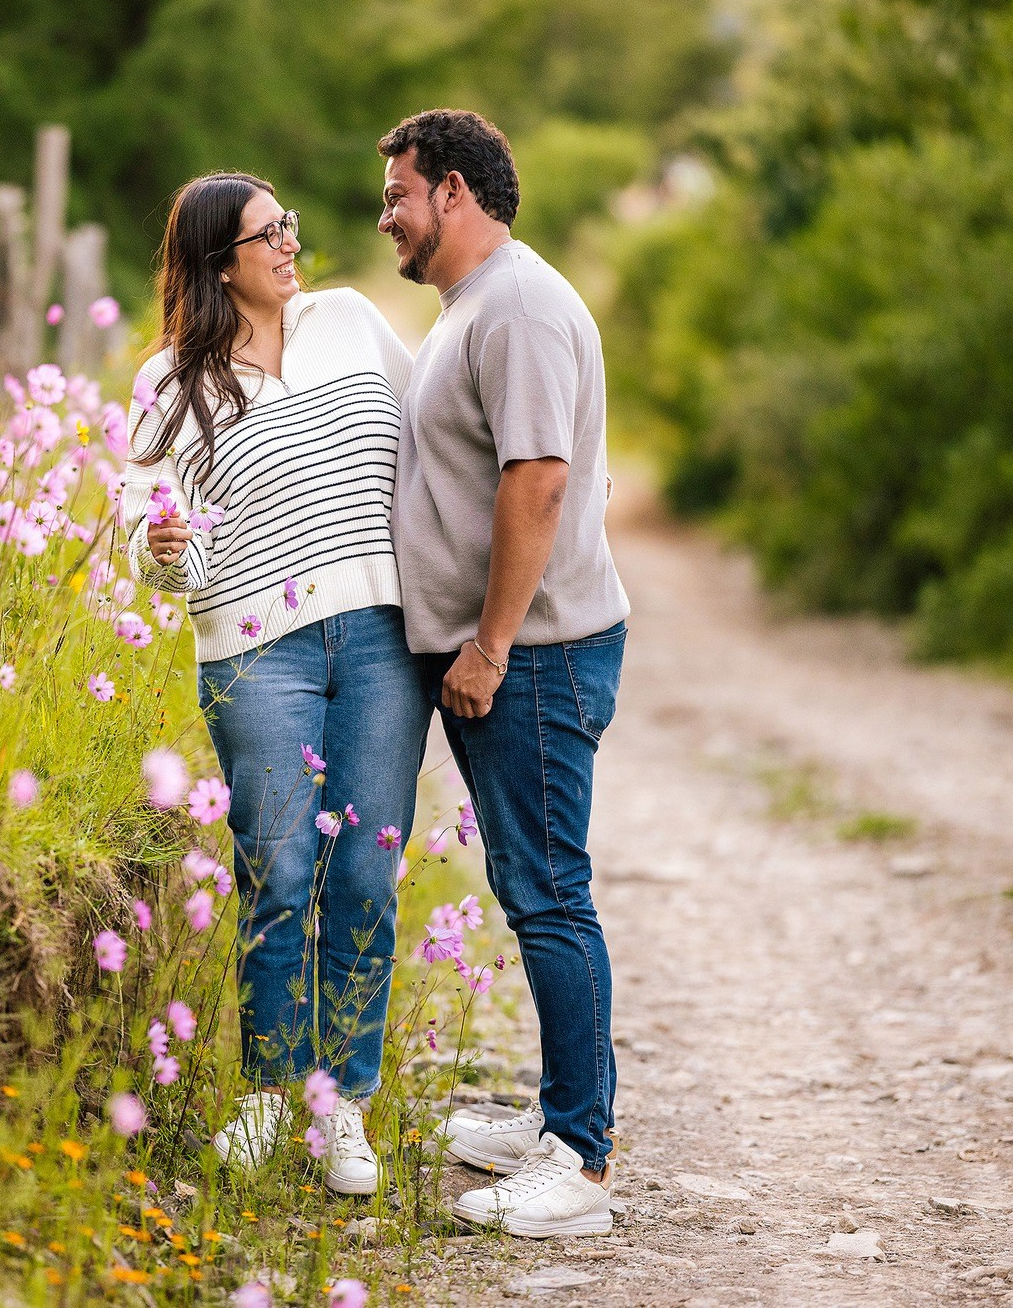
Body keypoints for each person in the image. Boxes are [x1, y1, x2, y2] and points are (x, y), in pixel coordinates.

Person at [118, 172, 429, 1195]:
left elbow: (434, 425)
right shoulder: (169, 382)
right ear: (219, 262)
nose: (290, 243)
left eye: (288, 224)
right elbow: (153, 544)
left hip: (382, 637)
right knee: (277, 872)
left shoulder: (348, 321)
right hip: (257, 655)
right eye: (267, 233)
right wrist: (162, 545)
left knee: (364, 875)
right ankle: (264, 1096)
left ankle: (342, 1110)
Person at [377, 109, 631, 1238]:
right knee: (532, 889)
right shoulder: (476, 306)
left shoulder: (516, 306)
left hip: (529, 655)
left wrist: (486, 643)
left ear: (454, 193)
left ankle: (576, 1160)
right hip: (509, 652)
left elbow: (537, 482)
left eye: (398, 193)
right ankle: (556, 1120)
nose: (385, 213)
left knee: (547, 894)